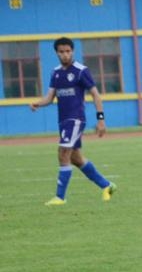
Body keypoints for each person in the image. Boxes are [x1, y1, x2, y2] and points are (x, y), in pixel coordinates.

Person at [29, 37, 116, 206]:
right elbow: (49, 97)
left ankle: (60, 197)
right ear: (56, 53)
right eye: (61, 52)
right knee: (76, 158)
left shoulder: (81, 71)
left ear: (73, 51)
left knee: (62, 153)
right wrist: (37, 104)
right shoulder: (55, 73)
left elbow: (96, 95)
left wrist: (101, 120)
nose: (65, 55)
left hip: (75, 120)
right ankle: (107, 186)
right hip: (63, 120)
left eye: (68, 51)